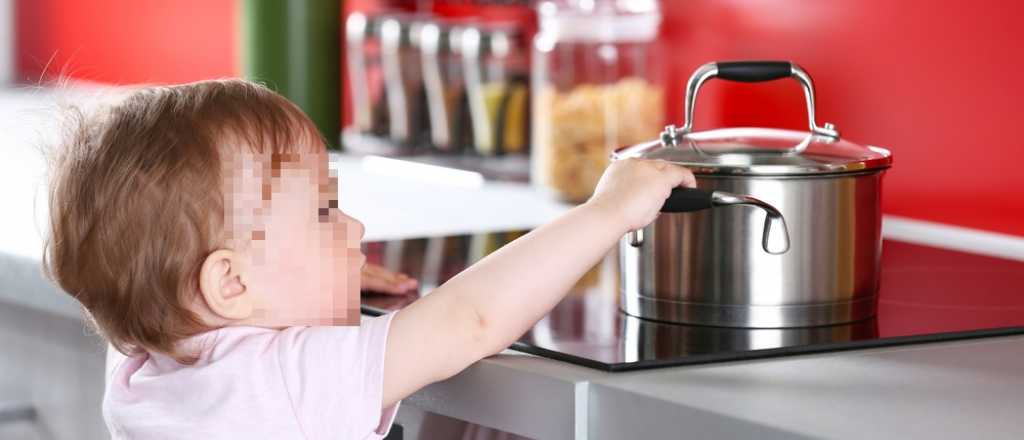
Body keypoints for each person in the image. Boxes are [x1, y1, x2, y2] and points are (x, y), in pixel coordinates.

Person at [43, 79, 694, 439]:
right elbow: (469, 320)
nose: (353, 228)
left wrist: (314, 273)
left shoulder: (140, 370)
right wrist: (606, 212)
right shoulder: (285, 381)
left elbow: (139, 277)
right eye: (324, 213)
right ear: (231, 282)